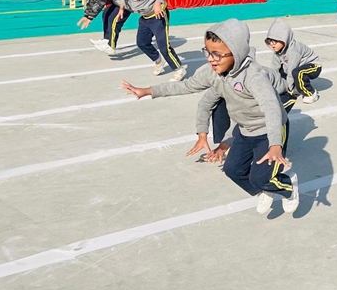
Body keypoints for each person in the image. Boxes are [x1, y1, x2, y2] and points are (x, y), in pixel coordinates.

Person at [121, 19, 299, 215]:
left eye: (217, 54)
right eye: (207, 52)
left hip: (269, 129)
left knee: (261, 177)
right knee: (233, 171)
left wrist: (275, 144)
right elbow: (185, 86)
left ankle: (288, 186)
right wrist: (148, 91)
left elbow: (272, 109)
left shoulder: (254, 76)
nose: (211, 59)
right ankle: (264, 190)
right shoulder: (213, 73)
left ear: (237, 52)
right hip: (245, 129)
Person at [107, 0, 187, 81]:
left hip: (158, 16)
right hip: (145, 18)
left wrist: (158, 3)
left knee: (164, 47)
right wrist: (121, 8)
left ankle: (179, 69)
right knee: (142, 43)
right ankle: (158, 60)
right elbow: (122, 1)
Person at [265, 18, 322, 104]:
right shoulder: (277, 52)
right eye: (270, 41)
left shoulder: (294, 50)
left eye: (275, 41)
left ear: (284, 39)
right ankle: (295, 87)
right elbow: (274, 69)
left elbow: (291, 70)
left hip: (313, 66)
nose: (272, 44)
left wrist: (290, 89)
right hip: (298, 67)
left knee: (298, 73)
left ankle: (311, 93)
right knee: (281, 72)